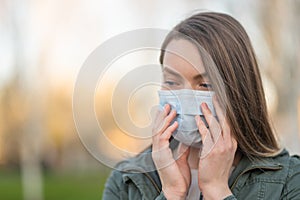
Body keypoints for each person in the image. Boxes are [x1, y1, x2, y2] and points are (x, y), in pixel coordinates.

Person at [103, 12, 300, 200]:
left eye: (205, 84)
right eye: (171, 82)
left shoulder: (290, 181)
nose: (184, 96)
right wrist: (171, 193)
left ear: (239, 93)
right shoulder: (125, 181)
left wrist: (217, 191)